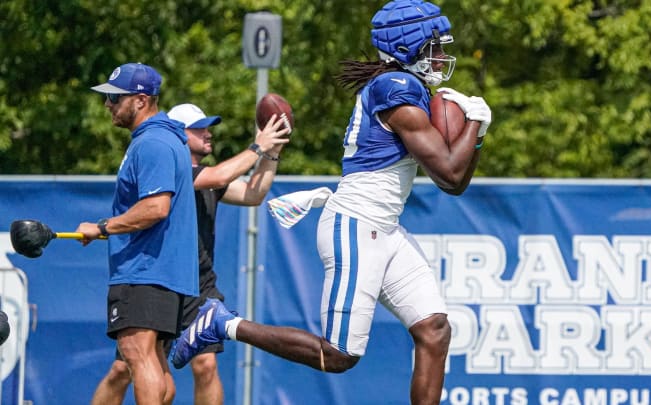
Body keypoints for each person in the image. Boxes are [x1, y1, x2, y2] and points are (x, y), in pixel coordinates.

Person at [171, 1, 492, 404]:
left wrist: (472, 131)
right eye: (434, 47)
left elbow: (452, 173)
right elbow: (451, 177)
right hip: (356, 227)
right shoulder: (395, 88)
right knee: (338, 355)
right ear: (409, 46)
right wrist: (477, 125)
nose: (442, 57)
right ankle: (223, 323)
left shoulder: (405, 86)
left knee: (434, 329)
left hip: (385, 229)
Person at [89, 103, 290, 405]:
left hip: (199, 283)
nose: (208, 134)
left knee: (205, 364)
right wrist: (257, 146)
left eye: (208, 127)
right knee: (125, 369)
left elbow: (253, 193)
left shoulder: (208, 176)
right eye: (199, 128)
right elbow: (221, 176)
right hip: (160, 279)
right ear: (180, 134)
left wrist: (272, 152)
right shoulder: (176, 166)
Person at [75, 62, 199, 405]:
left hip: (146, 270)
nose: (108, 105)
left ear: (141, 100)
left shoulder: (153, 143)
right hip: (161, 271)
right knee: (153, 364)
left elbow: (155, 208)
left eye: (115, 98)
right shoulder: (164, 139)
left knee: (135, 353)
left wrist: (102, 227)